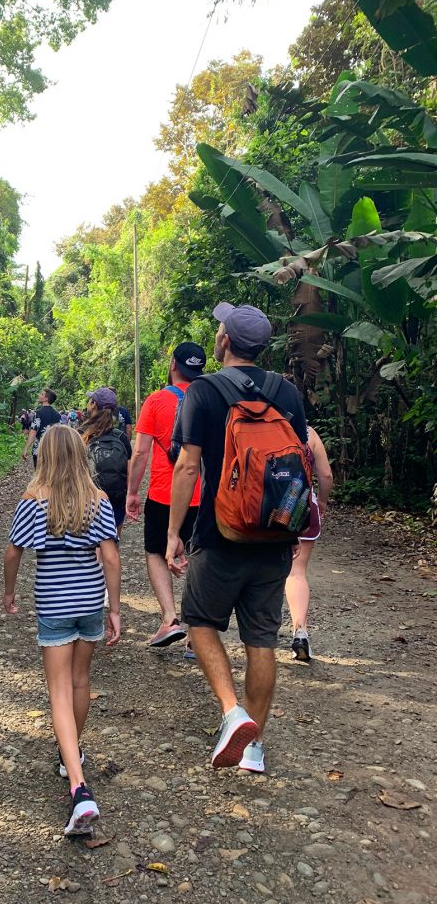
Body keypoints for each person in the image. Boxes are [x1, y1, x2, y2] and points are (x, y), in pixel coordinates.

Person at [167, 303, 308, 775]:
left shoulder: (203, 391)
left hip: (222, 531)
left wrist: (175, 532)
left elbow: (188, 465)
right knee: (261, 638)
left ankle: (232, 712)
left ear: (224, 341)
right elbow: (299, 460)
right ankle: (255, 749)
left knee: (200, 620)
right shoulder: (286, 391)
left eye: (219, 329)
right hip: (275, 532)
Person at [3, 426, 121, 837]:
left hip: (53, 604)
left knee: (57, 691)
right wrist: (115, 609)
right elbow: (110, 556)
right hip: (89, 601)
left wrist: (9, 594)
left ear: (45, 457)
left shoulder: (32, 502)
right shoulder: (99, 500)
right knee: (80, 681)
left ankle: (78, 787)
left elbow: (14, 551)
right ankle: (70, 752)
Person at [126, 343, 207, 648]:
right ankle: (198, 634)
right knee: (201, 557)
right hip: (205, 495)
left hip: (165, 492)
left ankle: (170, 619)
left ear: (173, 364)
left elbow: (141, 452)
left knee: (155, 551)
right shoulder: (212, 398)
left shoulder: (157, 400)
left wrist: (133, 493)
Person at [286, 426, 333, 662]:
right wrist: (322, 502)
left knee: (257, 570)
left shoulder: (251, 424)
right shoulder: (307, 433)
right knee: (296, 573)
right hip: (300, 506)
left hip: (260, 510)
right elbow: (325, 475)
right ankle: (300, 630)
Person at [81, 387, 132, 534]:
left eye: (90, 401)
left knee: (92, 544)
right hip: (117, 496)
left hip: (88, 497)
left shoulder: (81, 435)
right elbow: (129, 471)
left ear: (93, 405)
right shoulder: (120, 437)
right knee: (113, 542)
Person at [22, 387, 60, 468]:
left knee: (40, 475)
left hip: (39, 449)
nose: (39, 395)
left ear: (46, 399)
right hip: (54, 450)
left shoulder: (38, 413)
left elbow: (33, 432)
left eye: (42, 394)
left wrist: (26, 448)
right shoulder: (58, 415)